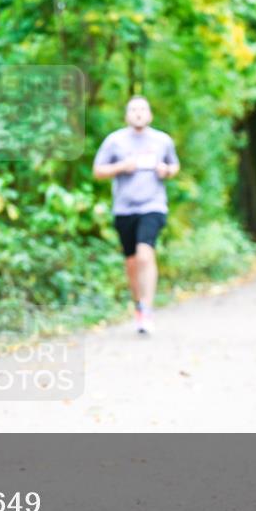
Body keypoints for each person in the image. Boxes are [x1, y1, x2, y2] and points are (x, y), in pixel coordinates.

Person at [93, 96, 180, 335]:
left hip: (153, 206)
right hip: (124, 209)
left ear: (150, 114)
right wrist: (121, 167)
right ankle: (139, 306)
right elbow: (98, 170)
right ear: (127, 115)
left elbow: (174, 166)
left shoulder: (162, 140)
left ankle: (148, 309)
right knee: (131, 262)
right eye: (133, 109)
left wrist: (167, 171)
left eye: (142, 109)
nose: (138, 113)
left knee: (145, 254)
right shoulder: (115, 141)